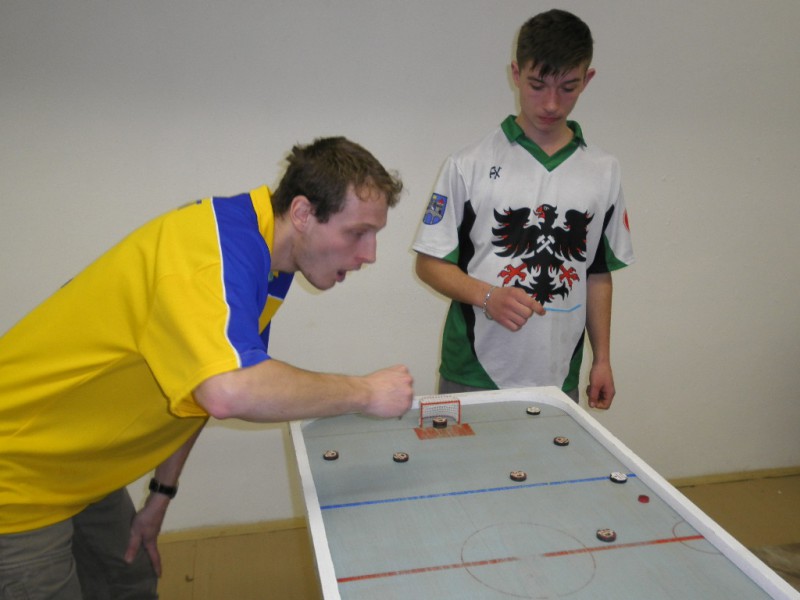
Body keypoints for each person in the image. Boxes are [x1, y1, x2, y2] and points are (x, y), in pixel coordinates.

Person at [0, 136, 414, 599]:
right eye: (358, 233)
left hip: (81, 471)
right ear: (302, 213)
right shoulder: (214, 250)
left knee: (130, 583)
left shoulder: (265, 260)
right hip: (17, 477)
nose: (370, 254)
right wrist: (365, 393)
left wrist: (161, 494)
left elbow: (197, 385)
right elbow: (227, 391)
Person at [412, 9, 634, 408]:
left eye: (568, 87)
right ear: (516, 73)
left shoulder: (604, 170)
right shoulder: (467, 164)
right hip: (472, 371)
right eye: (537, 85)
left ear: (587, 79)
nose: (551, 103)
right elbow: (429, 264)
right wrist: (487, 296)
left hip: (557, 376)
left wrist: (602, 359)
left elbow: (597, 273)